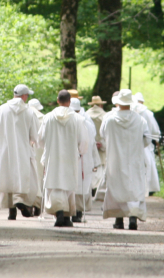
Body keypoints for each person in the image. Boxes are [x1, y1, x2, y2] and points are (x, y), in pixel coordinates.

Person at [0, 84, 40, 220]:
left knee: (7, 176)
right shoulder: (29, 112)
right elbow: (34, 135)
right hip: (23, 151)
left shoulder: (1, 110)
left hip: (5, 150)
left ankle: (12, 211)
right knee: (24, 177)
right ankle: (21, 201)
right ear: (24, 96)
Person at [101, 88, 151, 230]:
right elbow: (147, 139)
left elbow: (103, 134)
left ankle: (119, 219)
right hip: (134, 158)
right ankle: (133, 217)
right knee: (133, 187)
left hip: (115, 159)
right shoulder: (140, 120)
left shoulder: (109, 119)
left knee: (118, 186)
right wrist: (138, 145)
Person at [39, 90, 88, 227]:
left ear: (57, 100)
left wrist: (47, 148)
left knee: (54, 184)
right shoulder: (78, 119)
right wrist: (80, 152)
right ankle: (66, 214)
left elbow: (41, 139)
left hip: (52, 155)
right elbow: (83, 140)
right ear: (70, 101)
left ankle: (60, 213)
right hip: (70, 156)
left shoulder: (48, 117)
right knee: (68, 185)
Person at [70, 97, 101, 222]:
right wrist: (95, 161)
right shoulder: (87, 122)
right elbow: (92, 142)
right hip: (85, 157)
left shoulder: (70, 121)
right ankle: (78, 212)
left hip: (76, 157)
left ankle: (73, 211)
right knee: (82, 184)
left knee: (74, 184)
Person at [133, 92, 161, 195]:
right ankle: (149, 187)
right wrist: (157, 138)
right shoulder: (148, 113)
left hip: (133, 143)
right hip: (146, 142)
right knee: (148, 163)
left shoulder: (131, 111)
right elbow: (154, 129)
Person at [86, 96, 108, 197]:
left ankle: (90, 185)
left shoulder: (86, 115)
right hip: (101, 143)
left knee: (90, 166)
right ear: (101, 104)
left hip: (89, 144)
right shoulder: (105, 115)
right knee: (100, 167)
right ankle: (95, 186)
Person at [29, 98, 46, 216]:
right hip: (40, 149)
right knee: (39, 176)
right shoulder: (44, 118)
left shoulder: (24, 116)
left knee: (28, 176)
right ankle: (38, 204)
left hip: (27, 148)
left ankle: (29, 203)